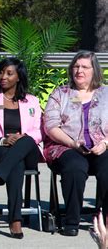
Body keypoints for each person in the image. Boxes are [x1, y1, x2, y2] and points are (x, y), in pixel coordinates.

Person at [0, 58, 43, 239]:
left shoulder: (32, 101)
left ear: (19, 77)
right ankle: (15, 220)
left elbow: (40, 131)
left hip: (28, 150)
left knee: (25, 141)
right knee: (16, 164)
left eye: (9, 73)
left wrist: (21, 138)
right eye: (1, 72)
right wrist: (3, 140)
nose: (3, 77)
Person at [44, 51, 108, 237]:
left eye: (84, 67)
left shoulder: (106, 93)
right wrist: (72, 143)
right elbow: (51, 126)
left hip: (101, 146)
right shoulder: (61, 93)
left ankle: (104, 219)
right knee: (75, 167)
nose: (79, 70)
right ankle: (72, 220)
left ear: (94, 70)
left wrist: (104, 143)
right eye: (76, 66)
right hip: (65, 146)